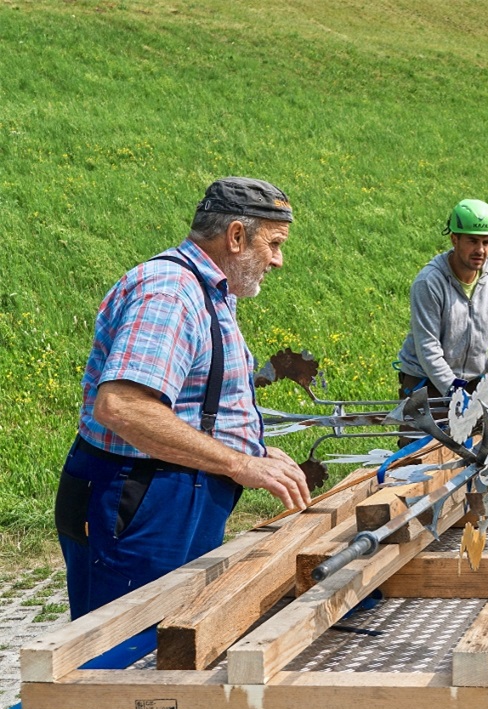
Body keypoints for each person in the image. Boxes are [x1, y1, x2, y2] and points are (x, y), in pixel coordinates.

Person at [55, 177, 312, 619]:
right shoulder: (169, 294)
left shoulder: (207, 289)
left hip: (169, 488)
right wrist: (241, 463)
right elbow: (123, 407)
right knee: (122, 651)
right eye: (273, 244)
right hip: (140, 497)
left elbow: (192, 402)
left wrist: (252, 446)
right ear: (235, 236)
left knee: (169, 637)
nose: (279, 260)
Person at [397, 199, 488, 403]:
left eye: (486, 242)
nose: (480, 250)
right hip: (426, 383)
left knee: (481, 435)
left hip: (475, 382)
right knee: (424, 437)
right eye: (472, 241)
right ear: (454, 239)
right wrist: (455, 392)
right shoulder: (429, 282)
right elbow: (428, 348)